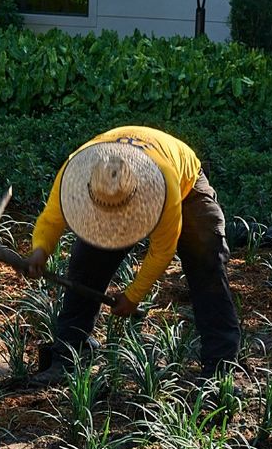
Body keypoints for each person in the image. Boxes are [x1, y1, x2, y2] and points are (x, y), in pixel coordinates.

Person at [22, 125, 241, 383]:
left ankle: (219, 368)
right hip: (117, 190)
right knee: (86, 265)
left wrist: (133, 295)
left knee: (206, 263)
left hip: (186, 188)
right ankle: (68, 355)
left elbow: (163, 250)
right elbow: (52, 216)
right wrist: (40, 250)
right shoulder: (77, 169)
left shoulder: (164, 181)